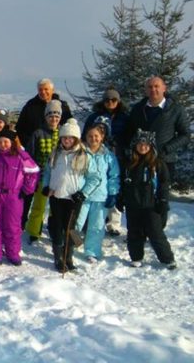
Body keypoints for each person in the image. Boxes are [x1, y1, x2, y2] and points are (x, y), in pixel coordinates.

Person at [0, 128, 39, 265]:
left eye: (6, 142)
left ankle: (13, 253)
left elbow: (33, 172)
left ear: (12, 143)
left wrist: (27, 189)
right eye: (0, 142)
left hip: (14, 196)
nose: (3, 145)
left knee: (12, 225)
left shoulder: (21, 157)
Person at [120, 130, 176, 270]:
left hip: (152, 205)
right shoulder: (129, 163)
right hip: (133, 204)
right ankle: (136, 257)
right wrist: (120, 198)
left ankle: (167, 258)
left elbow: (164, 183)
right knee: (134, 232)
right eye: (140, 144)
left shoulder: (157, 163)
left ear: (151, 146)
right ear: (135, 145)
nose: (142, 147)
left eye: (146, 144)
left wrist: (163, 200)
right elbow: (122, 182)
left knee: (155, 232)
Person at [124, 76, 190, 192]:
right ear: (145, 90)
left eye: (156, 86)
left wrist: (166, 149)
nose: (153, 89)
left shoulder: (175, 109)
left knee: (160, 198)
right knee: (139, 197)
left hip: (164, 161)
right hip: (140, 160)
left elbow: (185, 135)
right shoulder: (138, 109)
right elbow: (129, 132)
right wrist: (131, 149)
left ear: (164, 88)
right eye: (150, 87)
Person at [40, 118, 90, 272]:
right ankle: (58, 257)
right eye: (64, 137)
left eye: (70, 138)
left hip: (73, 198)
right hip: (56, 196)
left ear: (76, 139)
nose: (67, 140)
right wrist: (46, 186)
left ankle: (69, 255)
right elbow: (48, 172)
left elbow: (93, 178)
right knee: (57, 226)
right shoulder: (56, 153)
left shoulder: (83, 155)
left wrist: (83, 193)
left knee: (71, 228)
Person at [82, 87, 129, 236]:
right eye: (107, 100)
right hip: (95, 154)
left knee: (114, 185)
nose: (110, 102)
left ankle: (113, 223)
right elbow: (85, 134)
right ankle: (89, 219)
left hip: (117, 155)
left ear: (118, 101)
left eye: (113, 100)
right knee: (93, 183)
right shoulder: (95, 117)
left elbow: (131, 135)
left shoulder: (124, 117)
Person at [75, 124, 119, 263]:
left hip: (101, 196)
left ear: (102, 137)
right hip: (83, 195)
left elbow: (114, 176)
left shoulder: (108, 156)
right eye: (90, 136)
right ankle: (70, 246)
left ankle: (92, 251)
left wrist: (113, 193)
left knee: (97, 225)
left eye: (96, 136)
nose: (93, 138)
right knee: (76, 222)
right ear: (85, 137)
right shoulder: (80, 152)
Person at [24, 100, 63, 241]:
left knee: (56, 208)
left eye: (57, 117)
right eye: (51, 116)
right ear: (46, 117)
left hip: (59, 178)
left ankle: (55, 231)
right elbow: (30, 156)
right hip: (41, 177)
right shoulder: (38, 133)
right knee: (39, 205)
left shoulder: (63, 134)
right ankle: (34, 231)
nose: (54, 119)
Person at [15, 78, 74, 149]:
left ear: (52, 90)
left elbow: (70, 127)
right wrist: (29, 143)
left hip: (59, 148)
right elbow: (20, 128)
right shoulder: (30, 106)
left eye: (46, 89)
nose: (43, 92)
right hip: (35, 149)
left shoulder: (62, 106)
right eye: (40, 90)